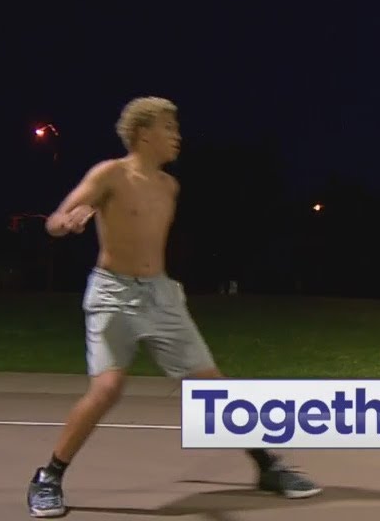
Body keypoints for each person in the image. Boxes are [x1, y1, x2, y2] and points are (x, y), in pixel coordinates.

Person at [26, 97, 321, 518]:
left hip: (161, 296)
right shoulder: (109, 174)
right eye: (169, 128)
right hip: (114, 295)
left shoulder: (169, 186)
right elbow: (58, 217)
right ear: (144, 133)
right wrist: (66, 223)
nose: (177, 136)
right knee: (107, 389)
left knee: (214, 386)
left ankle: (268, 467)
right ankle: (48, 477)